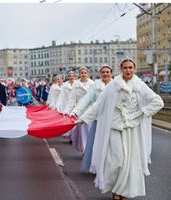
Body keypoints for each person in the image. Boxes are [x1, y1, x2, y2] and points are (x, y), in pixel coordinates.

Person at [80, 58, 164, 200]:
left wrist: (139, 113)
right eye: (125, 67)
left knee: (129, 163)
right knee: (116, 161)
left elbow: (158, 102)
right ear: (121, 69)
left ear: (134, 68)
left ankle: (123, 191)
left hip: (132, 129)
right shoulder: (113, 85)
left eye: (130, 67)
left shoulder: (140, 85)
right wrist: (83, 118)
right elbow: (98, 104)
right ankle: (115, 188)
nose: (128, 70)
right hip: (115, 127)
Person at [71, 65, 112, 172]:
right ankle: (98, 167)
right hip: (98, 118)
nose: (105, 74)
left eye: (107, 72)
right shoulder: (95, 87)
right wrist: (76, 112)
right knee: (97, 143)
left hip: (113, 119)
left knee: (111, 144)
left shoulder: (115, 85)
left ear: (111, 73)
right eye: (103, 72)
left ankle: (110, 167)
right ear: (100, 74)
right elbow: (86, 99)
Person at [63, 66, 94, 151]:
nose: (83, 74)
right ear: (79, 74)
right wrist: (67, 110)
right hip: (79, 110)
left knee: (90, 130)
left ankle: (89, 149)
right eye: (82, 73)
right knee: (82, 130)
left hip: (90, 109)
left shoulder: (92, 84)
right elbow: (72, 99)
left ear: (88, 74)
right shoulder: (76, 84)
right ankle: (84, 148)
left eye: (85, 73)